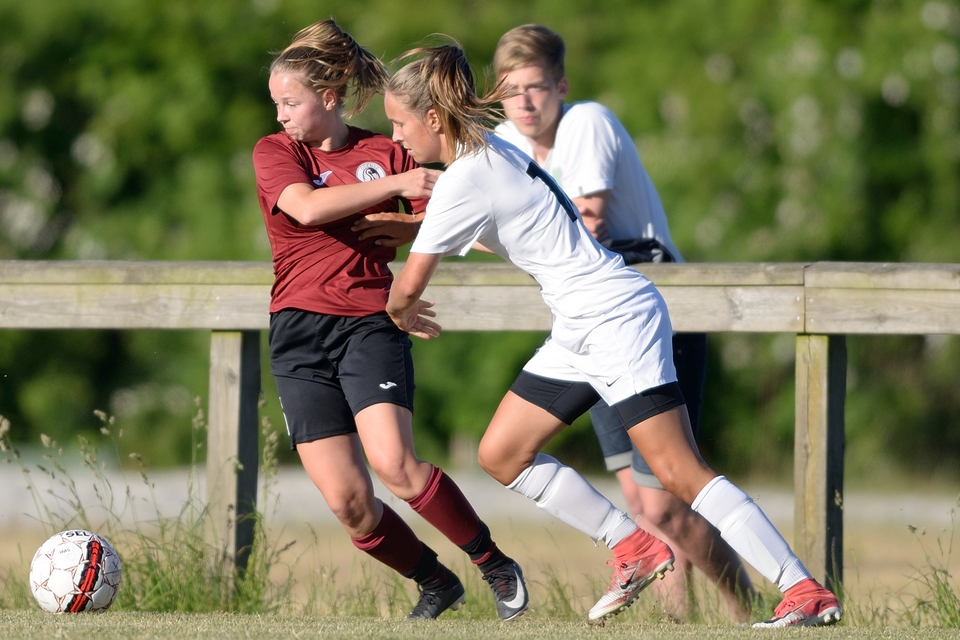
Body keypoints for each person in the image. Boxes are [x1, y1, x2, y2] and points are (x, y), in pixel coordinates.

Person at [382, 41, 843, 628]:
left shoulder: (465, 177)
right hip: (582, 323)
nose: (395, 138)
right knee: (502, 453)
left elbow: (407, 288)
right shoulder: (490, 153)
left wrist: (398, 311)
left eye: (399, 124)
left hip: (613, 318)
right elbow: (496, 228)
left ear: (431, 118)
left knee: (679, 473)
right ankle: (635, 548)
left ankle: (803, 589)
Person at [251, 19, 528, 621]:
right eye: (276, 104)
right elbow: (306, 209)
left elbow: (445, 224)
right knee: (349, 503)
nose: (280, 115)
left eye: (290, 103)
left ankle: (493, 563)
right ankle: (435, 582)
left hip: (368, 324)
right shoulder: (277, 152)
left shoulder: (386, 151)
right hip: (297, 334)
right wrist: (401, 186)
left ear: (329, 97)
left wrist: (408, 222)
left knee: (395, 466)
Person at [491, 24, 755, 621]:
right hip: (591, 322)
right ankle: (676, 624)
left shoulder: (586, 123)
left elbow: (587, 223)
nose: (524, 103)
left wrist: (494, 227)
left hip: (649, 312)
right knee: (641, 502)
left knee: (664, 500)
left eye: (536, 87)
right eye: (510, 91)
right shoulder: (504, 142)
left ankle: (749, 610)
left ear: (562, 86)